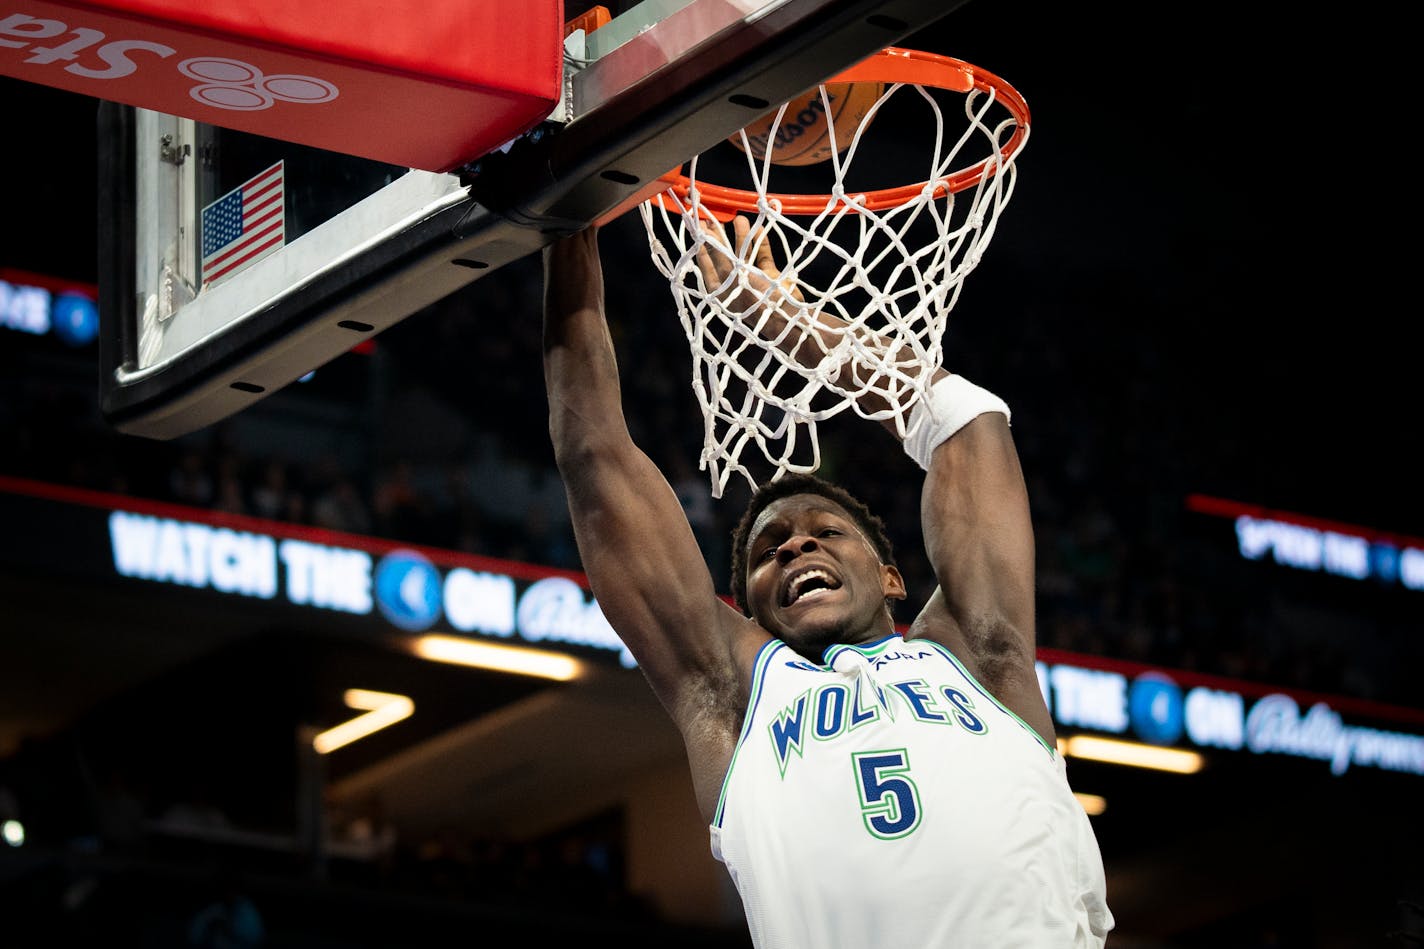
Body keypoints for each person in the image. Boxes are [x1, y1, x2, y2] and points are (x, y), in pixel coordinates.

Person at [541, 219, 1113, 947]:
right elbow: (593, 455)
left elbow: (968, 423)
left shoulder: (977, 654)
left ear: (892, 576)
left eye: (825, 530)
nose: (797, 542)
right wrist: (567, 224)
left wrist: (784, 318)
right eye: (769, 548)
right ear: (751, 609)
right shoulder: (734, 698)